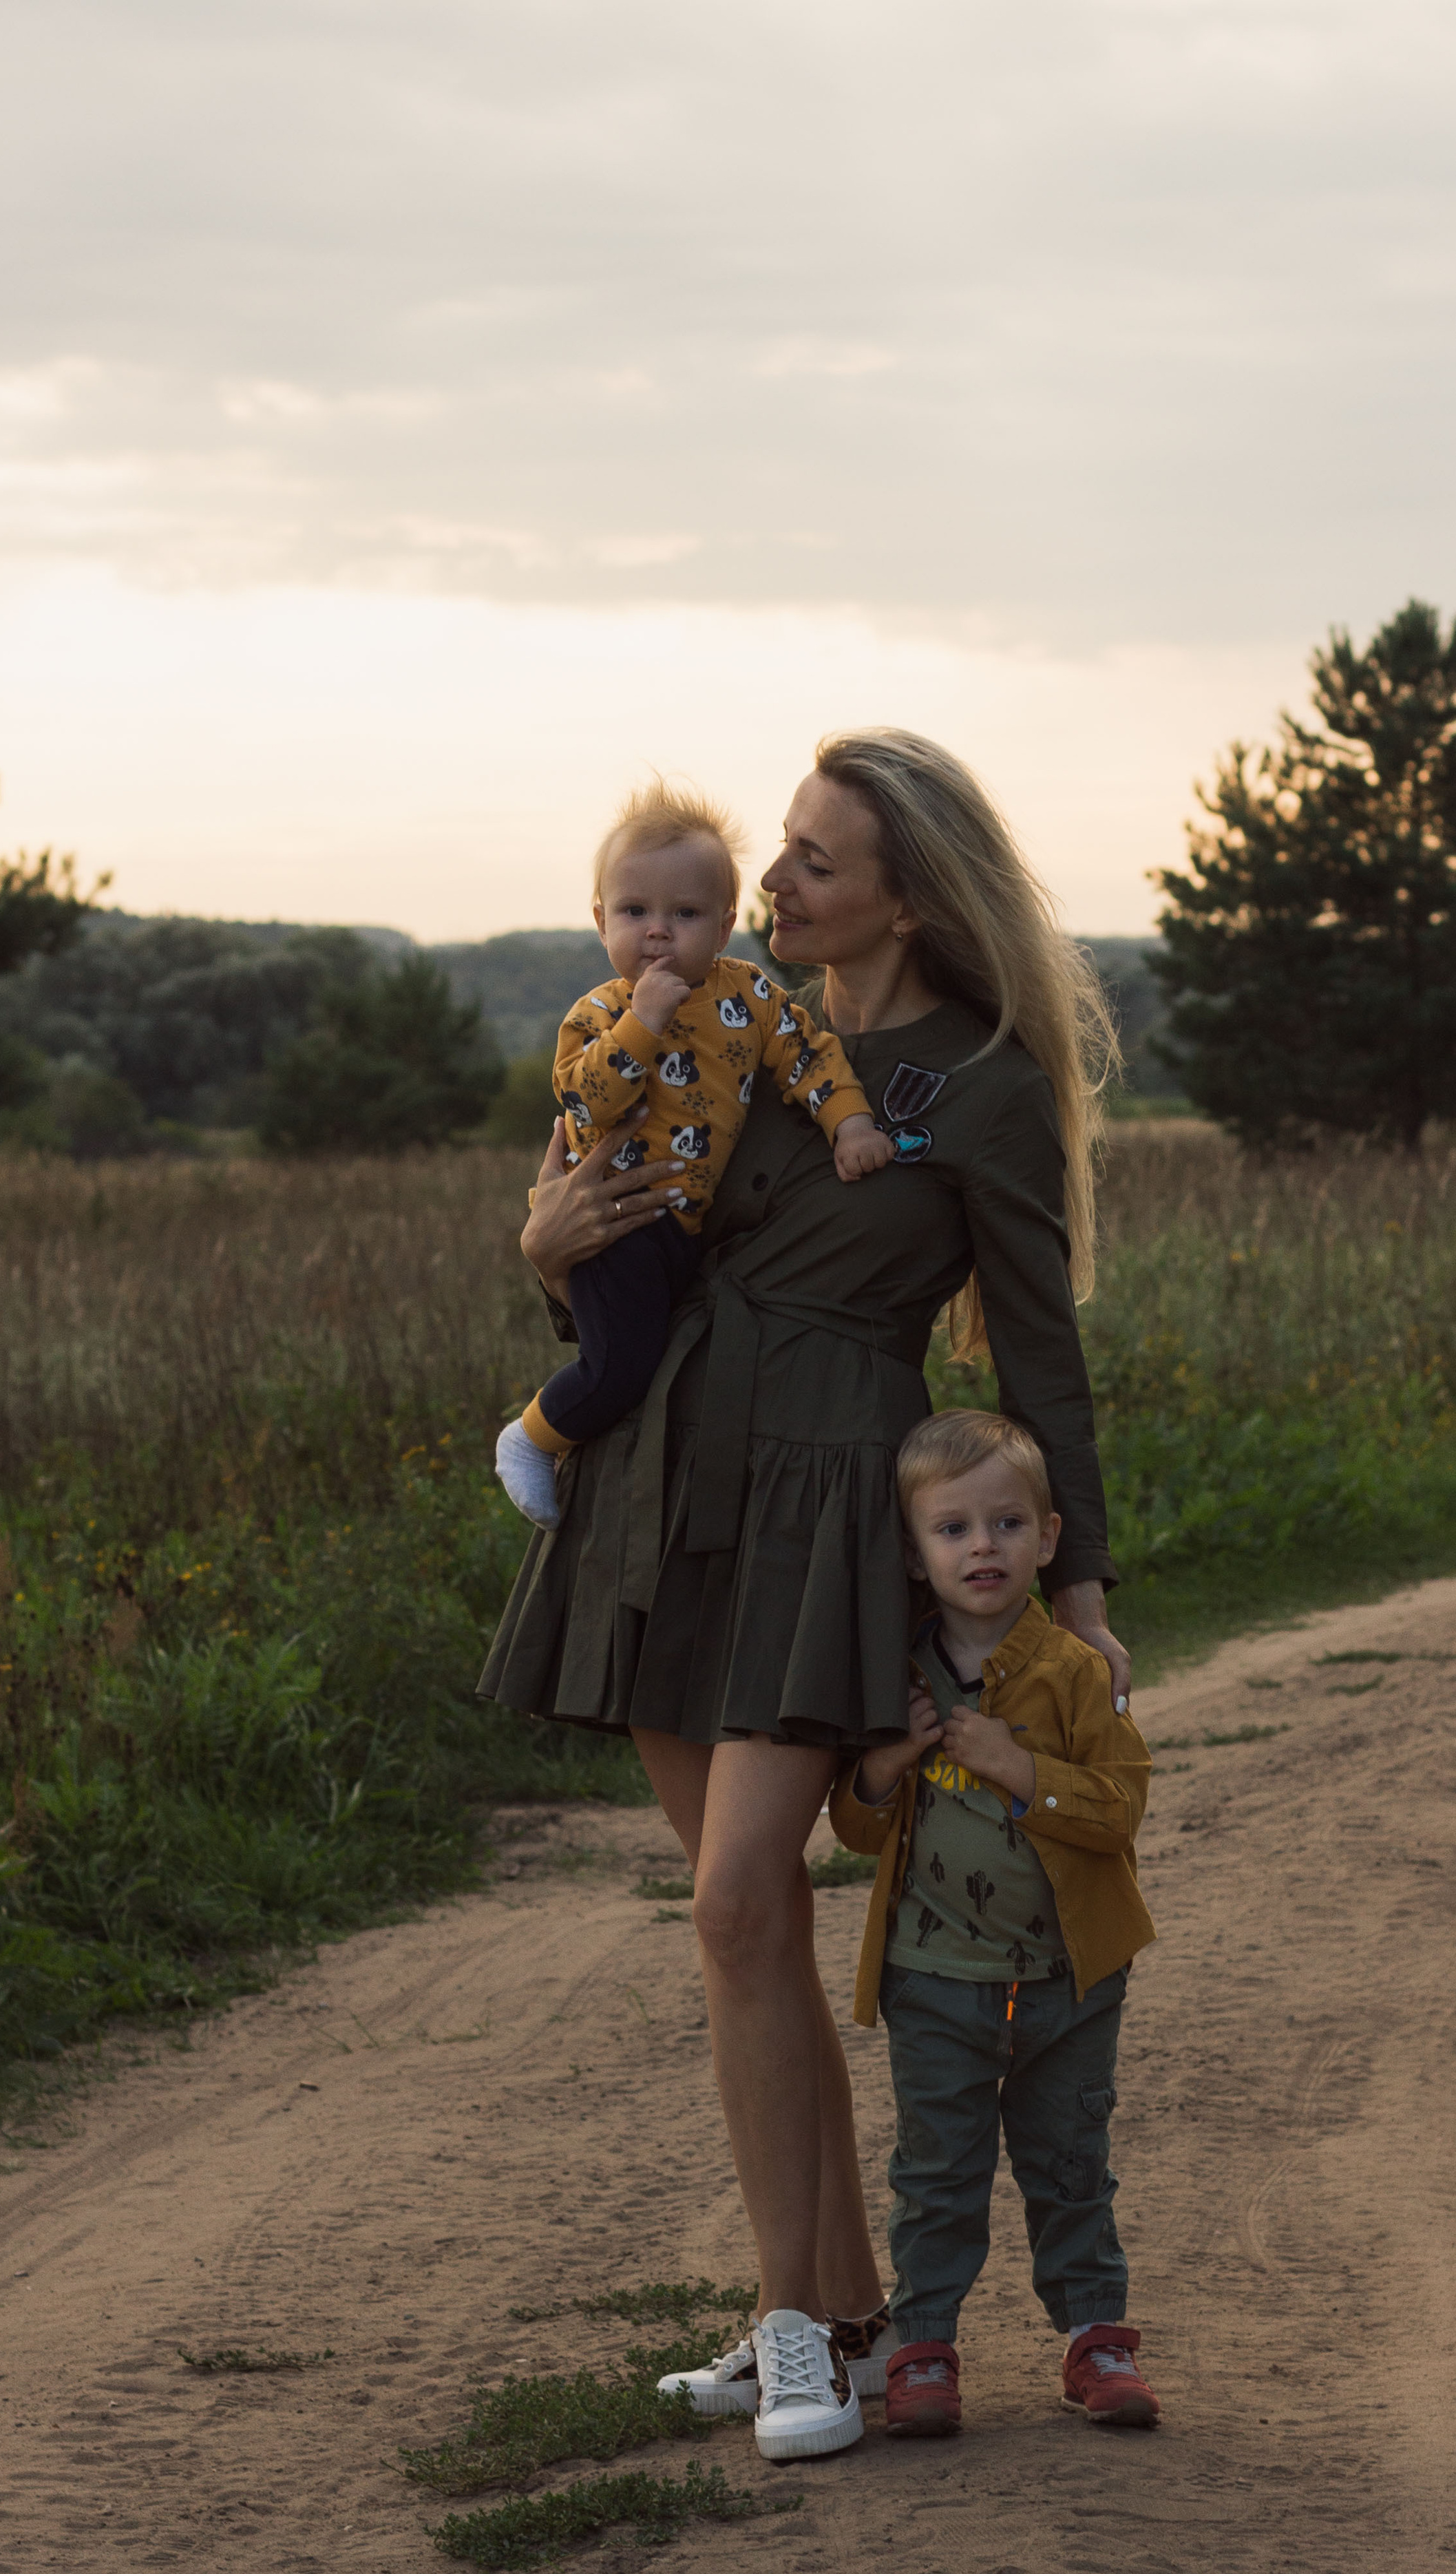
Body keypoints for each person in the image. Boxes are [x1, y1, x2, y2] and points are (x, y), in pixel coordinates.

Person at [480, 726, 1129, 2466]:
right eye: (778, 846)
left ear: (906, 897)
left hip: (829, 1493)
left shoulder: (982, 1082)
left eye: (812, 859)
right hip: (661, 1477)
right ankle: (833, 2319)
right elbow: (630, 1244)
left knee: (728, 1901)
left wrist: (1073, 1588)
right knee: (748, 1925)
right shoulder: (736, 1024)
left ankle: (798, 2329)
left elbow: (1039, 1356)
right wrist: (547, 1254)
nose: (767, 881)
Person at [827, 1407, 1161, 2438]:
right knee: (937, 2174)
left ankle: (1096, 2340)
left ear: (1048, 1539)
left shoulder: (1076, 1672)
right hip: (933, 1982)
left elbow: (1121, 1810)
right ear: (914, 1552)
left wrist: (1021, 1769)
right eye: (954, 1528)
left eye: (1008, 1524)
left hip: (1068, 1981)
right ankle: (924, 2349)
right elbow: (855, 1829)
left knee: (1070, 2164)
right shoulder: (894, 1678)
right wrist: (885, 1763)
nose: (984, 1547)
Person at [494, 779, 891, 1532]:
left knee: (656, 1355)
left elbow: (810, 1057)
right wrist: (641, 1025)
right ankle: (533, 1438)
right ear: (600, 921)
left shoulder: (752, 999)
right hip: (614, 1224)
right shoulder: (600, 1014)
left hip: (683, 1228)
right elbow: (587, 1102)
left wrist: (851, 1125)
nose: (657, 933)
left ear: (725, 925)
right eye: (633, 912)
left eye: (684, 914)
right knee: (621, 1366)